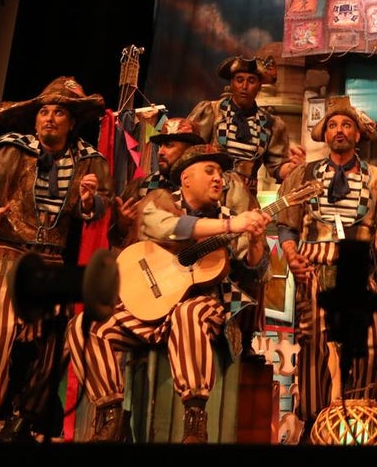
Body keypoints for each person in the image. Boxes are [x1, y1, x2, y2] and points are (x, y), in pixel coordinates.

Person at [66, 144, 269, 443]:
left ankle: (194, 421)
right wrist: (230, 224)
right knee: (86, 326)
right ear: (186, 178)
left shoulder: (232, 217)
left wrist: (255, 242)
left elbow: (255, 272)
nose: (219, 180)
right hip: (153, 307)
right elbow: (165, 228)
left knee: (188, 314)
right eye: (210, 171)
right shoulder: (158, 203)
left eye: (220, 174)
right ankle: (110, 414)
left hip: (207, 306)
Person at [0, 76, 114, 442]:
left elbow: (97, 205)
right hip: (8, 252)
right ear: (35, 118)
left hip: (52, 259)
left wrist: (90, 201)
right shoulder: (10, 151)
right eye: (45, 111)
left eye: (60, 112)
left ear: (71, 121)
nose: (50, 118)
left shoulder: (88, 161)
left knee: (51, 344)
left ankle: (23, 418)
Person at [274, 96, 377, 440]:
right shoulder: (304, 175)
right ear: (325, 134)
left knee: (366, 342)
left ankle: (357, 421)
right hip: (313, 267)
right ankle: (316, 423)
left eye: (346, 124)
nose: (339, 130)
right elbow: (286, 223)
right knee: (315, 342)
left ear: (357, 134)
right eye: (332, 125)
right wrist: (290, 253)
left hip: (359, 269)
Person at [111, 116, 258, 251]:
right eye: (160, 145)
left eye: (169, 145)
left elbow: (240, 240)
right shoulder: (144, 186)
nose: (160, 152)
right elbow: (122, 244)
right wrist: (123, 225)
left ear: (190, 149)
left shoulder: (226, 188)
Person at [187, 54, 305, 195]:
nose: (244, 86)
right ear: (231, 83)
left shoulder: (270, 124)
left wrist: (293, 168)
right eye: (239, 80)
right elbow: (190, 151)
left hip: (246, 198)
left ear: (259, 86)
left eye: (251, 81)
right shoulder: (212, 111)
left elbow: (277, 166)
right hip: (210, 193)